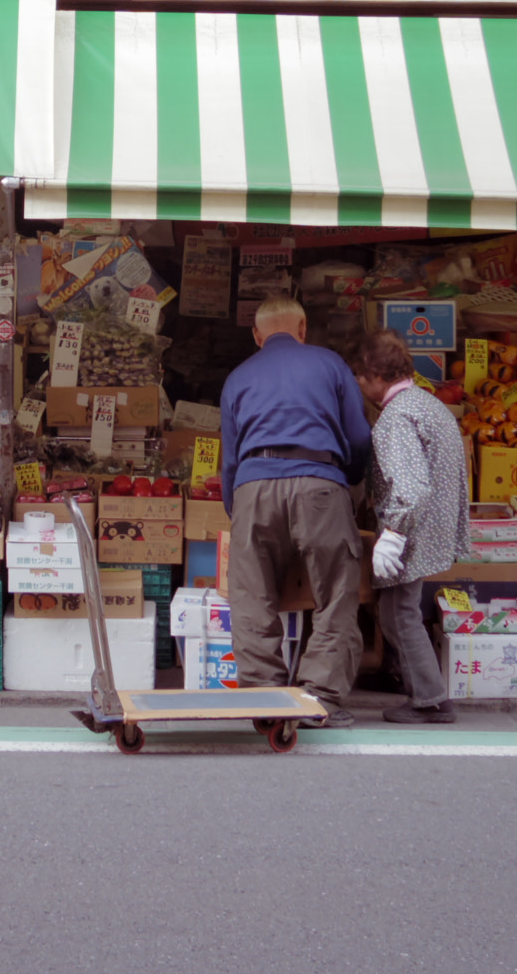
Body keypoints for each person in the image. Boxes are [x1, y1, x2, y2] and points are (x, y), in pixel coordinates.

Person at [219, 295, 372, 728]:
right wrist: (350, 481)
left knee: (251, 597)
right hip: (320, 482)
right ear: (303, 329)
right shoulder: (330, 364)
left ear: (257, 336)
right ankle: (317, 697)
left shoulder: (237, 377)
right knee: (336, 594)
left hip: (253, 485)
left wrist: (239, 508)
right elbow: (359, 436)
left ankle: (264, 699)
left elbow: (230, 459)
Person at [351, 327, 471, 724]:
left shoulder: (395, 419)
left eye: (360, 377)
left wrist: (393, 535)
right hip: (436, 525)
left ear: (374, 374)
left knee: (400, 613)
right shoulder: (427, 403)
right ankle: (414, 683)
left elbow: (411, 488)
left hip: (413, 528)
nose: (358, 384)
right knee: (395, 611)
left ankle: (431, 699)